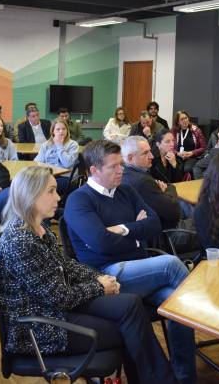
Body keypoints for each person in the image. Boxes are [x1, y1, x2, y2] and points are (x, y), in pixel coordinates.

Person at [0, 166, 175, 383]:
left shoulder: (39, 228)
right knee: (126, 326)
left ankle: (155, 379)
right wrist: (99, 287)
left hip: (55, 308)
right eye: (51, 191)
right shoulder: (19, 242)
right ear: (30, 196)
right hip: (41, 327)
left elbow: (66, 265)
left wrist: (99, 277)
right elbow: (58, 297)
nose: (58, 197)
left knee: (130, 303)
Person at [64, 140, 197, 384]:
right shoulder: (79, 200)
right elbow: (101, 242)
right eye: (113, 166)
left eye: (121, 164)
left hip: (140, 270)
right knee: (170, 264)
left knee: (179, 306)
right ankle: (207, 313)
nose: (121, 170)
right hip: (106, 277)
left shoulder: (125, 190)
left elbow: (154, 224)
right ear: (94, 170)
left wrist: (123, 229)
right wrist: (136, 232)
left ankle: (184, 377)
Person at [122, 136, 183, 230]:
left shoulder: (124, 173)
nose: (152, 156)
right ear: (130, 158)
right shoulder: (142, 181)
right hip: (166, 230)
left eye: (150, 151)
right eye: (145, 153)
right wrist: (168, 189)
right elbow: (175, 212)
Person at [34, 119, 79, 193]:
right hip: (49, 175)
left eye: (64, 129)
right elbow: (37, 162)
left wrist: (59, 145)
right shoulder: (46, 144)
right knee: (33, 184)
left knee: (45, 187)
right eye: (58, 129)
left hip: (66, 178)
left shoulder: (73, 144)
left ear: (67, 130)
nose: (61, 131)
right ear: (53, 131)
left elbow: (67, 163)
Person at [171, 110, 207, 177]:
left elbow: (203, 147)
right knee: (175, 167)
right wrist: (177, 153)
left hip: (192, 157)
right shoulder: (174, 131)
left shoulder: (196, 130)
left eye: (186, 118)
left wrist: (192, 153)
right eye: (182, 119)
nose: (185, 120)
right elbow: (169, 147)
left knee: (187, 168)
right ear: (178, 122)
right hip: (178, 156)